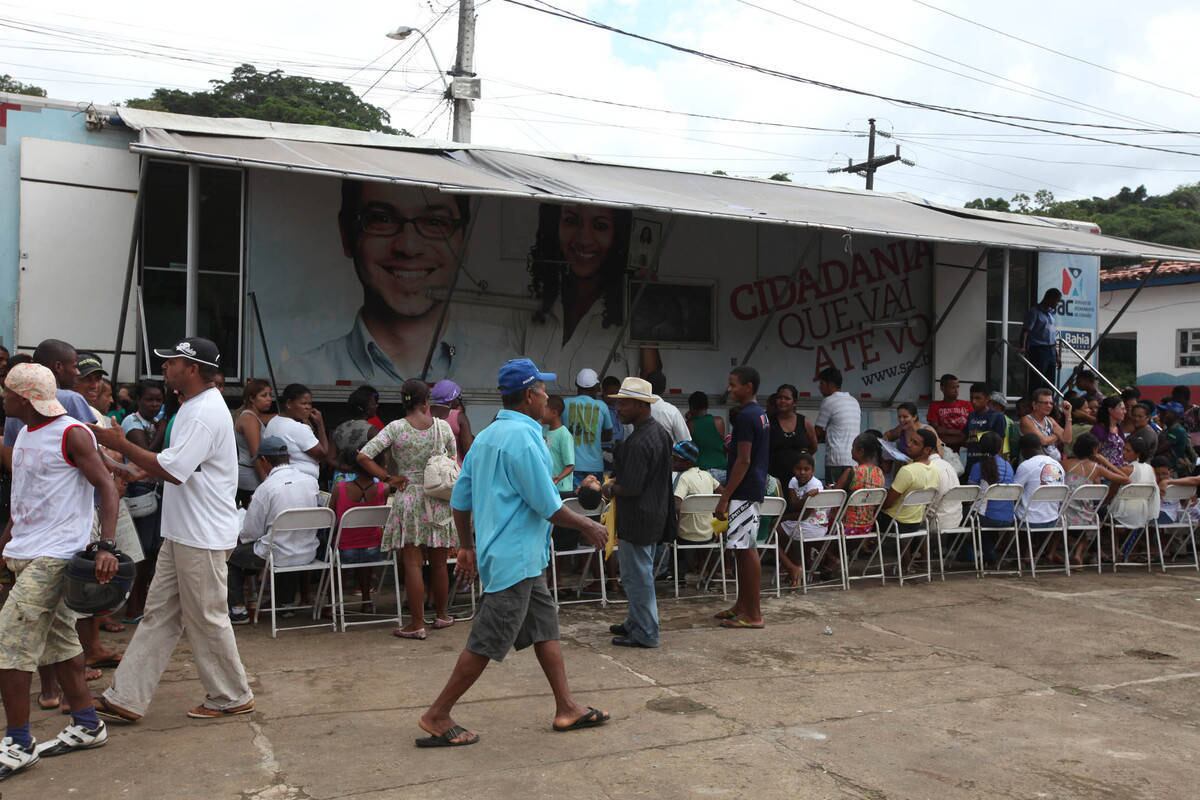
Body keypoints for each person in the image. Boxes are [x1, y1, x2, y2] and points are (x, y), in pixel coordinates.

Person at [416, 358, 611, 748]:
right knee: (487, 640)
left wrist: (467, 545)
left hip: (513, 556)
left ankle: (566, 706)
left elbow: (460, 498)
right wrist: (589, 525)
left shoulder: (488, 436)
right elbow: (548, 505)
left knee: (544, 627)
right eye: (541, 391)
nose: (546, 398)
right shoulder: (524, 439)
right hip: (515, 559)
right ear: (529, 396)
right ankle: (437, 714)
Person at [91, 337, 254, 723]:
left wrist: (121, 445)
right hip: (185, 532)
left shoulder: (202, 411)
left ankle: (231, 694)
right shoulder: (195, 407)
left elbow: (175, 471)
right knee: (159, 614)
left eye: (172, 362)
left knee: (207, 616)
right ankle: (126, 697)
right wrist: (127, 467)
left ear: (193, 369)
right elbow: (177, 462)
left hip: (201, 534)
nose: (164, 367)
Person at [0, 363, 119, 778]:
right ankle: (87, 725)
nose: (3, 398)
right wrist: (7, 544)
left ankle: (18, 742)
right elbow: (26, 497)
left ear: (25, 397)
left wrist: (106, 545)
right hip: (28, 552)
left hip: (57, 555)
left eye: (8, 392)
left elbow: (106, 486)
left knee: (9, 643)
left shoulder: (71, 433)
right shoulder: (28, 434)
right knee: (60, 642)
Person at [298, 181, 505, 384]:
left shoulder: (503, 374)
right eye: (382, 219)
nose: (408, 246)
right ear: (346, 234)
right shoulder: (303, 375)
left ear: (464, 240)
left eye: (434, 222)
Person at [356, 379, 457, 639]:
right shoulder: (443, 427)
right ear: (427, 401)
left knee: (412, 563)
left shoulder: (395, 428)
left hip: (408, 496)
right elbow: (452, 459)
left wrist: (389, 477)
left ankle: (417, 623)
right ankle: (443, 615)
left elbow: (363, 456)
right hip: (438, 498)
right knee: (439, 563)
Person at [519, 203, 657, 388]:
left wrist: (644, 299)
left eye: (600, 226)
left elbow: (652, 374)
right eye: (571, 221)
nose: (584, 239)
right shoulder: (526, 304)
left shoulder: (629, 311)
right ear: (554, 227)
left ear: (618, 234)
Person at [601, 377, 673, 648]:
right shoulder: (659, 434)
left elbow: (630, 487)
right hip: (654, 513)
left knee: (637, 577)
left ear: (642, 406)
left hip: (638, 516)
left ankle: (646, 631)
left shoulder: (639, 441)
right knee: (637, 574)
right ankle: (636, 621)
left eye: (625, 403)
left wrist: (607, 489)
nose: (619, 408)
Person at [226, 436, 322, 624]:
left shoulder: (266, 488)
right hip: (308, 552)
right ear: (288, 457)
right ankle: (285, 603)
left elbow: (250, 534)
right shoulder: (311, 482)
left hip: (276, 555)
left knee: (230, 556)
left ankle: (238, 610)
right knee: (286, 542)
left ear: (264, 461)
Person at [714, 366, 770, 630]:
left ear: (748, 387)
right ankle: (742, 605)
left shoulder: (747, 417)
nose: (730, 389)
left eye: (734, 384)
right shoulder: (760, 415)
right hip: (751, 487)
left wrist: (725, 496)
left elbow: (744, 460)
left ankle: (754, 614)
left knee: (746, 549)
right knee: (739, 548)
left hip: (744, 491)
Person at [328, 426, 389, 612]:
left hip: (345, 550)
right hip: (375, 550)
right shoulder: (383, 489)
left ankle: (332, 603)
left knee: (334, 552)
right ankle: (366, 599)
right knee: (366, 554)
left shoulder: (340, 488)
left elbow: (331, 517)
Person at [1058, 433, 1128, 565]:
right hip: (1084, 515)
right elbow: (1125, 479)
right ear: (1094, 450)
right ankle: (1078, 553)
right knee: (1091, 519)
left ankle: (1051, 551)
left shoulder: (1065, 464)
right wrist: (1104, 461)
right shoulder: (1097, 468)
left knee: (1064, 521)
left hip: (1063, 513)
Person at [778, 452, 829, 586]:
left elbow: (805, 514)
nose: (802, 472)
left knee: (777, 529)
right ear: (793, 469)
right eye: (798, 469)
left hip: (815, 524)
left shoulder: (816, 484)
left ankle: (795, 566)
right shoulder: (793, 481)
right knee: (781, 530)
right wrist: (805, 498)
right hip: (801, 521)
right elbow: (794, 505)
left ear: (813, 470)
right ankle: (797, 565)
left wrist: (783, 518)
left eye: (806, 469)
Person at [264, 384, 330, 483]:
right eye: (303, 403)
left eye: (310, 404)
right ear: (289, 403)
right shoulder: (298, 428)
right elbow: (323, 453)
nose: (308, 407)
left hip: (279, 480)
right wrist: (320, 424)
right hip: (300, 482)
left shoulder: (273, 422)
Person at [966, 432, 1015, 565]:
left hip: (986, 517)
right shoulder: (1008, 466)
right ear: (1000, 448)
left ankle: (971, 553)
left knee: (965, 515)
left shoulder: (978, 466)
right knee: (983, 515)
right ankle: (988, 553)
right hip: (1008, 518)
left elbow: (971, 494)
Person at [880, 429, 940, 533]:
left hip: (895, 523)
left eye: (915, 443)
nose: (909, 444)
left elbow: (887, 504)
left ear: (927, 450)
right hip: (915, 523)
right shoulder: (935, 471)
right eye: (910, 440)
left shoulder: (908, 471)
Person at [562, 368, 612, 487]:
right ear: (596, 387)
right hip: (595, 466)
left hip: (571, 465)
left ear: (576, 384)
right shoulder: (602, 406)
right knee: (593, 503)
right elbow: (608, 435)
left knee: (572, 502)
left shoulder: (564, 404)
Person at [671, 441, 721, 558]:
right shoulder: (707, 475)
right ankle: (703, 568)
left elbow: (676, 505)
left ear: (688, 462)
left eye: (676, 459)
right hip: (709, 534)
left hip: (685, 535)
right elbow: (722, 494)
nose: (672, 462)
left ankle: (675, 571)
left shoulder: (684, 478)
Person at [831, 433, 885, 537]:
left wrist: (831, 488)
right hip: (867, 526)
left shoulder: (852, 472)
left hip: (845, 526)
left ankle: (830, 552)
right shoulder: (880, 473)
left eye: (853, 447)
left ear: (861, 451)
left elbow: (834, 496)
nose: (851, 450)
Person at [814, 367, 861, 485]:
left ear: (829, 384)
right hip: (854, 460)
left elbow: (817, 431)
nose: (819, 387)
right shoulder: (854, 401)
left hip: (836, 461)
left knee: (835, 498)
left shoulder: (829, 401)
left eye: (821, 383)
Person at [1013, 433, 1066, 533]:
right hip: (1052, 519)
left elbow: (1014, 493)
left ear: (1025, 449)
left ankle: (1019, 548)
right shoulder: (1058, 465)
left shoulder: (1026, 466)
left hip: (1029, 521)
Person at [768, 383, 816, 489]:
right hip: (774, 479)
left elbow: (813, 447)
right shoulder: (769, 422)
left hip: (799, 480)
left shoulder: (804, 422)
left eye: (787, 398)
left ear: (794, 402)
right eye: (779, 398)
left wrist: (801, 462)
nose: (782, 401)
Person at [234, 378, 275, 506]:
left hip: (250, 473)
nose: (269, 399)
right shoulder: (249, 419)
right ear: (252, 398)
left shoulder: (252, 416)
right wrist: (266, 482)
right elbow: (256, 454)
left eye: (270, 395)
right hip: (251, 477)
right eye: (264, 395)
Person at [1020, 288, 1062, 391]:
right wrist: (1023, 347)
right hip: (1038, 349)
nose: (1057, 304)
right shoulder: (1034, 312)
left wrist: (1057, 356)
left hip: (1051, 350)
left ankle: (1049, 403)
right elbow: (1025, 331)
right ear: (1049, 298)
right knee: (1037, 380)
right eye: (1056, 301)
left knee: (1050, 380)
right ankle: (1034, 403)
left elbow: (1052, 337)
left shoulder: (1051, 314)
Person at [964, 383, 1007, 476]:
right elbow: (965, 437)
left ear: (987, 399)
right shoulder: (971, 415)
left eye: (978, 398)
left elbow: (1000, 445)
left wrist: (995, 467)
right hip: (971, 463)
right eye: (971, 398)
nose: (973, 401)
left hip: (989, 466)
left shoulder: (997, 417)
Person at [1019, 388, 1073, 462]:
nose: (1049, 406)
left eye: (1051, 403)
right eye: (1045, 403)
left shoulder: (1050, 420)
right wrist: (1057, 436)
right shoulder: (1026, 420)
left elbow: (1067, 439)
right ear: (1034, 404)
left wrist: (1068, 415)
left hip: (1054, 464)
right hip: (1036, 466)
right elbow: (1043, 441)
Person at [685, 391, 727, 481]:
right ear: (707, 405)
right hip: (722, 470)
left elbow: (687, 451)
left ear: (691, 407)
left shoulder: (689, 425)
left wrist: (689, 418)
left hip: (702, 472)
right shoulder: (719, 421)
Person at [430, 380, 473, 465]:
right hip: (453, 471)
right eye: (458, 397)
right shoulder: (459, 417)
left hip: (428, 470)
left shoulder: (424, 414)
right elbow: (468, 451)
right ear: (452, 398)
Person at [927, 374, 971, 450]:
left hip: (965, 447)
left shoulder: (967, 405)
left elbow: (972, 429)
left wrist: (947, 431)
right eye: (953, 387)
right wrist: (960, 433)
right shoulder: (934, 406)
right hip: (944, 447)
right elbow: (936, 430)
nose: (956, 390)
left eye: (957, 387)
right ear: (942, 388)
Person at [646, 372, 690, 445]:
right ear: (664, 389)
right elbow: (685, 441)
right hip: (667, 455)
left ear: (646, 387)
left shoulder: (636, 409)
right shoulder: (671, 411)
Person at [543, 395, 575, 492]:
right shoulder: (544, 431)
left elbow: (570, 465)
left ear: (554, 413)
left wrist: (558, 478)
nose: (541, 412)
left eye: (544, 409)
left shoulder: (564, 434)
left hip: (561, 489)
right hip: (548, 487)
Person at [1156, 401, 1196, 476]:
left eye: (1165, 412)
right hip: (1166, 468)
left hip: (1173, 471)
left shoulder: (1177, 430)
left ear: (1174, 415)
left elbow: (1160, 449)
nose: (1162, 415)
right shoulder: (1168, 429)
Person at [1091, 396, 1127, 468]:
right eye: (1122, 409)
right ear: (1110, 410)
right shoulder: (1098, 430)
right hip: (1104, 470)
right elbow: (1094, 454)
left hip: (1119, 470)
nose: (1125, 412)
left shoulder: (1119, 429)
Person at [989, 391, 1018, 460]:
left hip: (1001, 454)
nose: (989, 406)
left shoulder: (1002, 419)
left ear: (999, 405)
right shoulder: (1009, 420)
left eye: (991, 404)